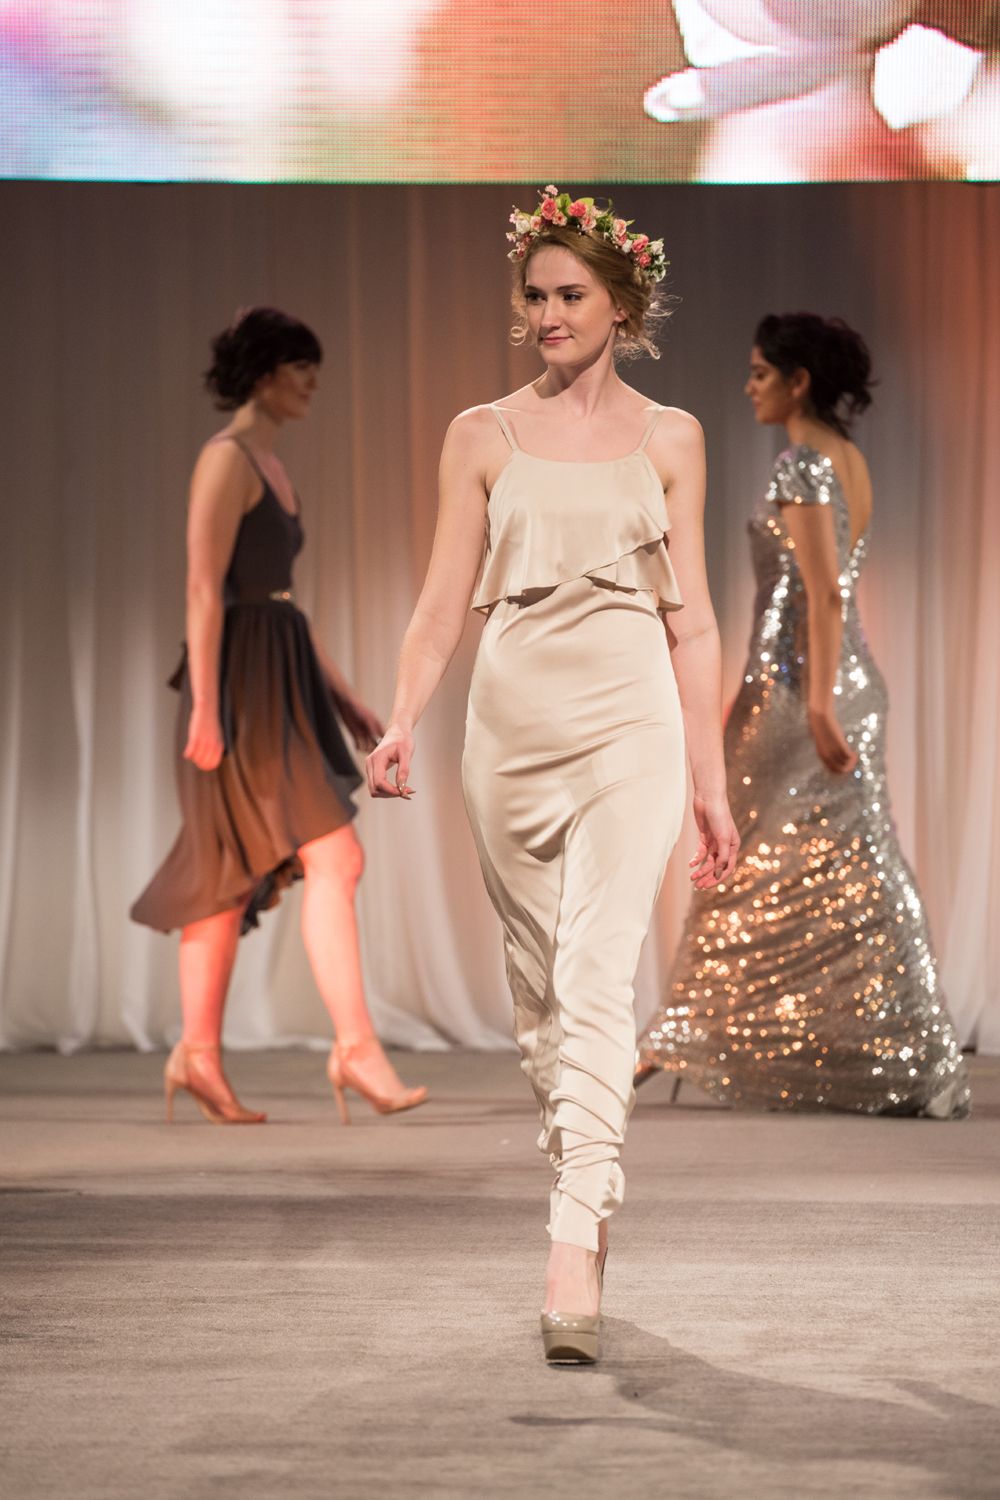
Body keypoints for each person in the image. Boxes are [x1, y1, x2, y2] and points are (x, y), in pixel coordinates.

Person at [365, 188, 739, 1363]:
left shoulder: (673, 436)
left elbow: (694, 626)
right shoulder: (479, 434)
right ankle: (586, 1171)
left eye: (569, 295)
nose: (547, 316)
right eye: (534, 297)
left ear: (622, 304)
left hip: (627, 718)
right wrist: (401, 719)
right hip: (509, 727)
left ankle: (571, 1235)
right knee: (539, 996)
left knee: (592, 974)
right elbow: (438, 603)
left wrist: (706, 777)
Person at [636, 312, 970, 1118]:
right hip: (826, 685)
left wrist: (816, 705)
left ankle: (673, 1037)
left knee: (741, 859)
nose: (748, 386)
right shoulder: (847, 460)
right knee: (845, 865)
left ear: (799, 382)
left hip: (798, 695)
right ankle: (913, 1055)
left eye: (760, 373)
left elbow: (824, 592)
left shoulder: (805, 465)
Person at [131, 308, 427, 1126]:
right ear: (266, 372)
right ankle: (355, 1047)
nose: (313, 386)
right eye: (303, 369)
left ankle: (198, 1055)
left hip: (280, 667)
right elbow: (203, 587)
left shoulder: (268, 462)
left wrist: (341, 692)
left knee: (232, 876)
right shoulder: (224, 461)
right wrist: (210, 711)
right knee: (328, 858)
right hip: (240, 686)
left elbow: (281, 600)